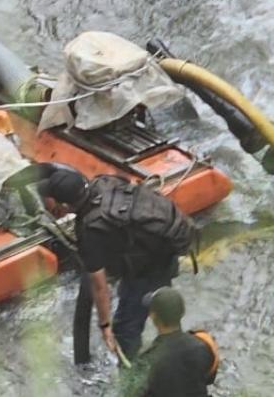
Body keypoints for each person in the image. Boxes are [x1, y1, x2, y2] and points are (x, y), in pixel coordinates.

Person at [38, 167, 193, 361]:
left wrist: (105, 326)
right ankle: (177, 347)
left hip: (150, 268)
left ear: (66, 205)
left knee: (125, 330)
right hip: (162, 247)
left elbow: (99, 286)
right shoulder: (104, 181)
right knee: (162, 312)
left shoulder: (90, 230)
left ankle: (128, 375)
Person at [127, 287, 218, 397]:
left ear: (152, 315)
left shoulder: (146, 360)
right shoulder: (205, 343)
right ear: (182, 312)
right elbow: (209, 377)